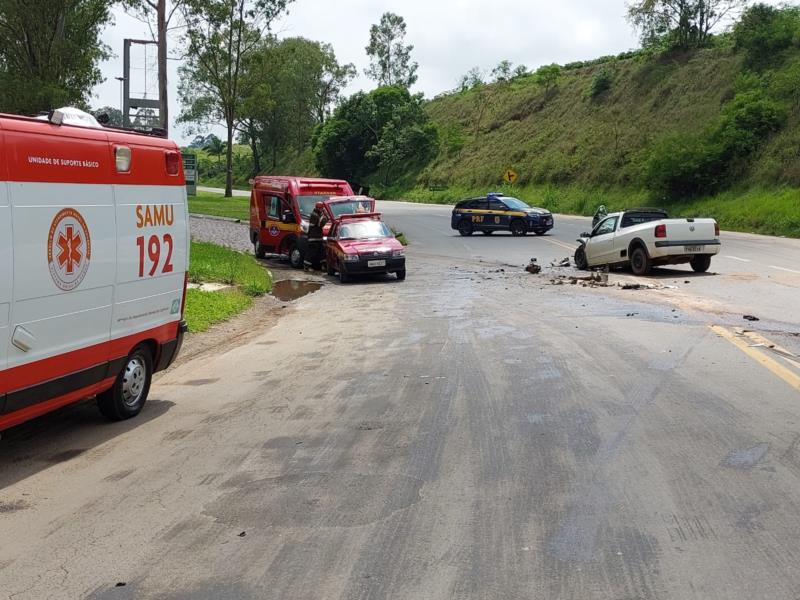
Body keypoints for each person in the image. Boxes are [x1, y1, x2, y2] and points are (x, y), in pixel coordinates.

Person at [305, 201, 328, 269]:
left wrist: (325, 215)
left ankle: (323, 266)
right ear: (318, 208)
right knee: (311, 252)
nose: (322, 210)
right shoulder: (314, 215)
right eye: (321, 208)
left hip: (318, 237)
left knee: (322, 252)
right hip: (313, 237)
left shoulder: (318, 214)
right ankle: (306, 266)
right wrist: (326, 216)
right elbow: (320, 224)